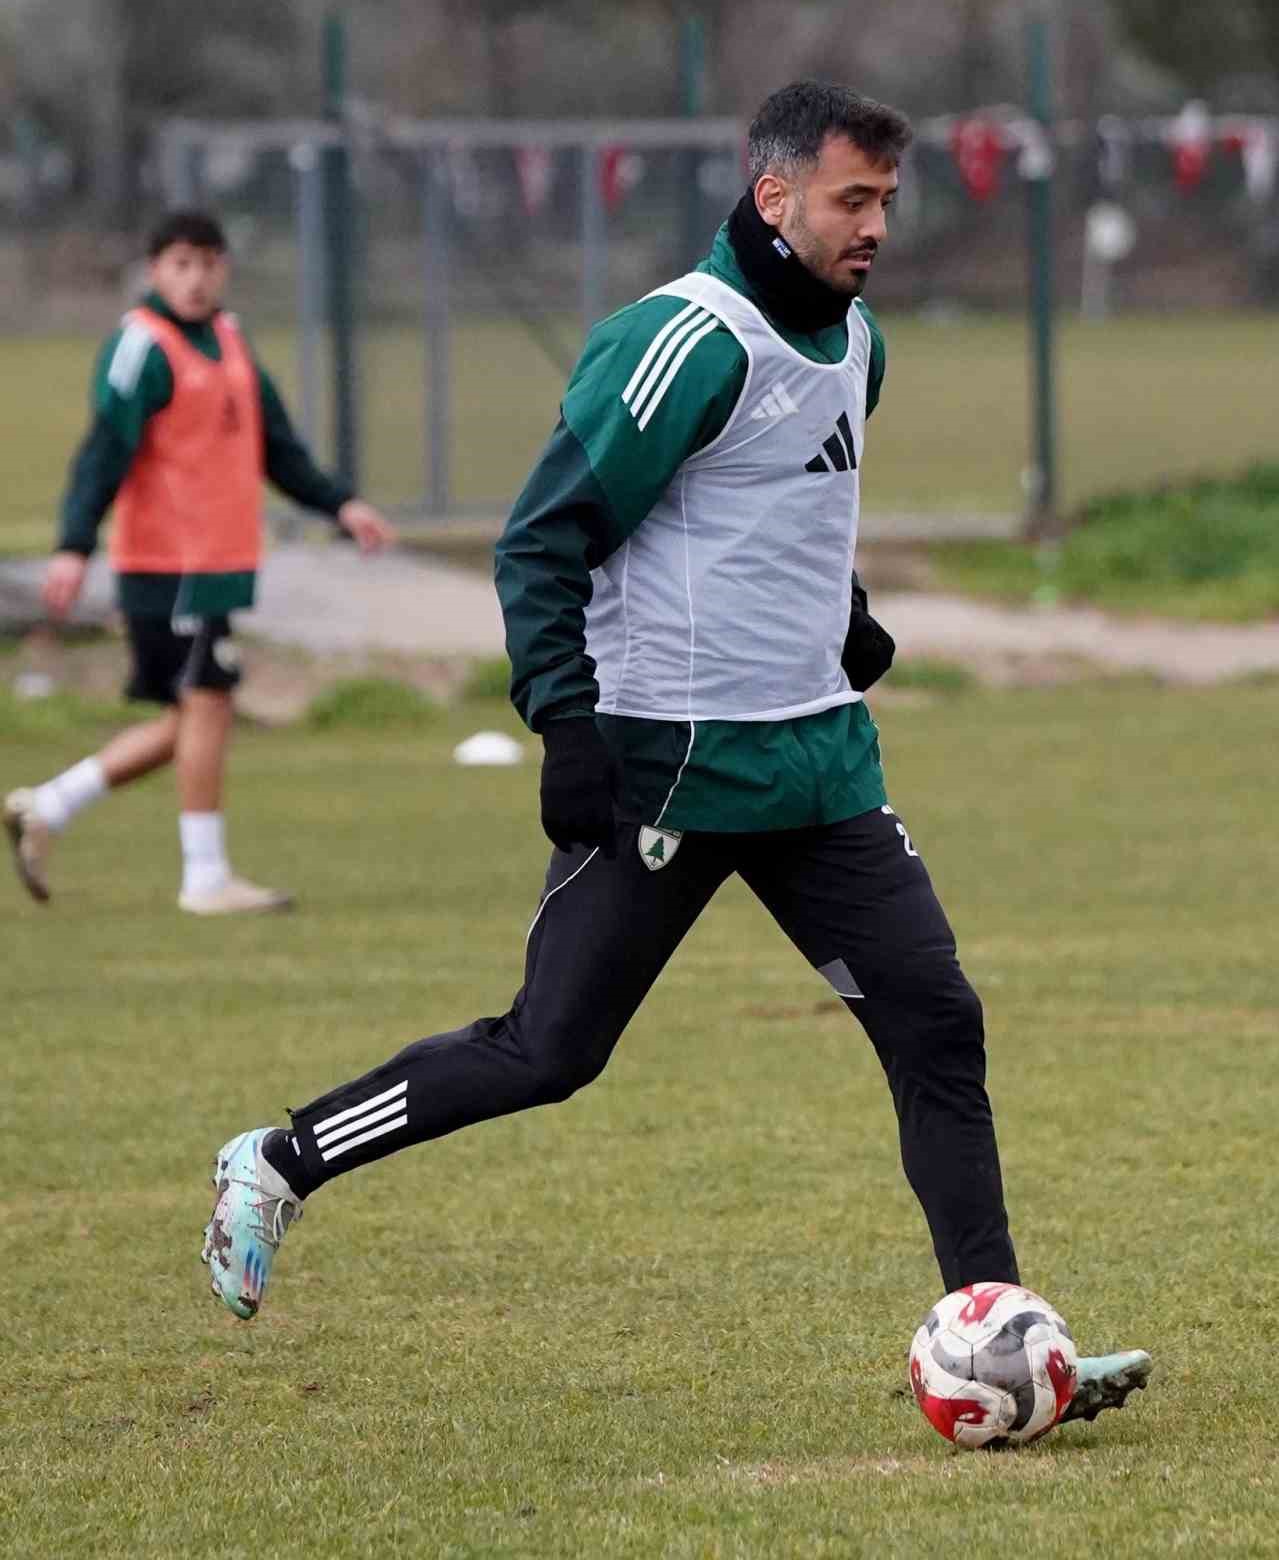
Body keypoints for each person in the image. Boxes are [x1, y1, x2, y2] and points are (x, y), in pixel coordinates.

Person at [199, 84, 1150, 1425]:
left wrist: (843, 616)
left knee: (935, 1020)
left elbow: (773, 509)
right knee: (547, 1050)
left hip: (818, 769)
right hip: (665, 772)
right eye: (852, 200)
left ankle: (997, 1331)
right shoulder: (680, 341)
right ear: (774, 196)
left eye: (886, 200)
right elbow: (541, 541)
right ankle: (277, 1159)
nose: (875, 225)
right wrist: (565, 725)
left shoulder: (857, 340)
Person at [3, 210, 396, 914]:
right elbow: (103, 452)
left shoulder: (229, 338)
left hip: (216, 565)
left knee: (190, 719)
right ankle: (205, 878)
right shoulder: (141, 347)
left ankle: (49, 806)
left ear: (225, 270)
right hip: (170, 565)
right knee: (209, 701)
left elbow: (277, 448)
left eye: (208, 263)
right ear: (155, 269)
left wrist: (341, 505)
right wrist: (73, 545)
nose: (195, 278)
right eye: (181, 264)